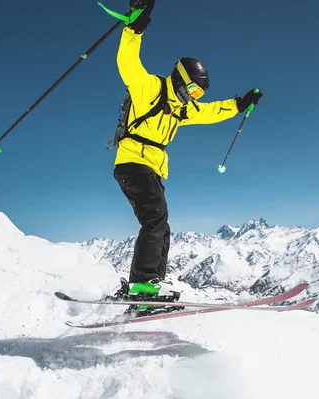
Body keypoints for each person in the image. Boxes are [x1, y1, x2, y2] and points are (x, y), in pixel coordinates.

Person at [112, 0, 263, 307]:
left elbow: (209, 112)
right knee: (155, 218)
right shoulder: (149, 88)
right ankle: (142, 284)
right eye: (192, 91)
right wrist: (134, 28)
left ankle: (148, 291)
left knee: (161, 224)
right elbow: (127, 63)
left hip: (149, 166)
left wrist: (239, 104)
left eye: (197, 95)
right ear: (180, 80)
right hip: (132, 161)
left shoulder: (180, 110)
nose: (193, 98)